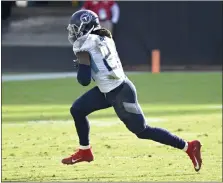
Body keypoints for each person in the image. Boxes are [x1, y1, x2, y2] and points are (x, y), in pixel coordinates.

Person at [62, 9, 202, 172]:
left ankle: (188, 146)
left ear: (85, 27)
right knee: (78, 110)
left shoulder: (84, 44)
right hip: (109, 89)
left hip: (120, 93)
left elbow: (84, 81)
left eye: (76, 28)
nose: (73, 32)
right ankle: (85, 151)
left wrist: (81, 65)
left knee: (142, 131)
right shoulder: (104, 34)